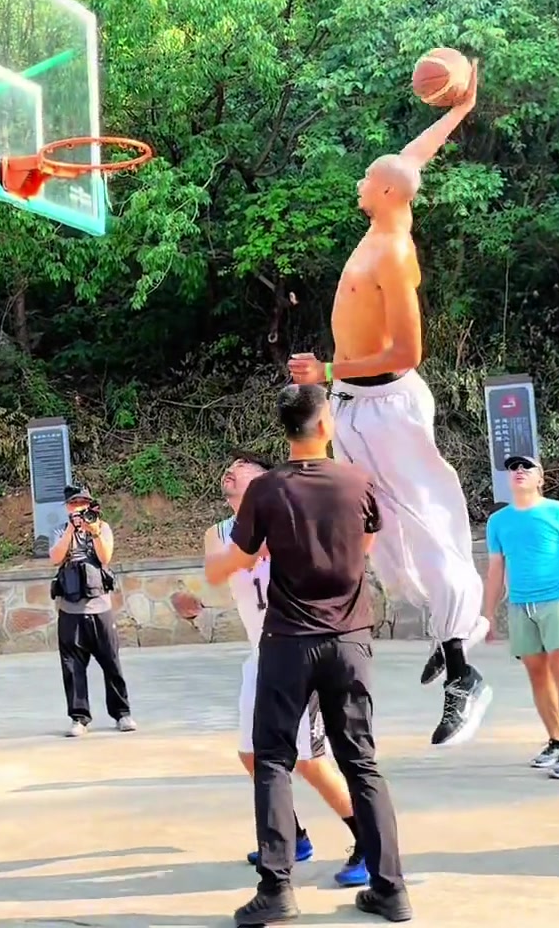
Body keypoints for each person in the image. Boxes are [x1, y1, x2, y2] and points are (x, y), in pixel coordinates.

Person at [286, 62, 491, 748]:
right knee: (385, 538)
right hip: (353, 405)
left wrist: (328, 369)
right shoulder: (391, 202)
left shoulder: (395, 254)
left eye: (365, 179)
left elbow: (407, 351)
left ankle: (464, 669)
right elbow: (412, 158)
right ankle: (450, 631)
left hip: (388, 406)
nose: (357, 184)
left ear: (382, 192)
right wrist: (458, 110)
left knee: (425, 525)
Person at [204, 384, 411, 924]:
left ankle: (277, 891)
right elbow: (366, 544)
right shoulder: (357, 481)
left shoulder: (266, 490)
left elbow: (239, 559)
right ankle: (391, 890)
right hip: (349, 639)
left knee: (272, 760)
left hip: (288, 641)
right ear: (325, 426)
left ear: (286, 429)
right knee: (360, 762)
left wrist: (223, 563)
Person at [205, 453, 371, 888]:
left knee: (310, 761)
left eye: (243, 466)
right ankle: (290, 837)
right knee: (251, 754)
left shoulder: (293, 518)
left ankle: (367, 841)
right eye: (229, 466)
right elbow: (216, 571)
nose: (231, 469)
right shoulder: (218, 533)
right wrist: (247, 551)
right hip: (260, 656)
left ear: (267, 481)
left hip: (299, 649)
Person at [482, 455, 559, 780]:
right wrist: (488, 613)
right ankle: (556, 739)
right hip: (520, 605)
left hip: (556, 601)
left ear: (540, 478)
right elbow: (496, 569)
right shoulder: (498, 521)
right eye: (514, 468)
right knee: (537, 674)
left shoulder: (557, 511)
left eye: (527, 468)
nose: (519, 472)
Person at [48, 484, 135, 736]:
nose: (78, 508)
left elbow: (105, 558)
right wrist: (70, 531)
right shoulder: (59, 530)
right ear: (67, 507)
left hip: (100, 608)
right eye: (74, 504)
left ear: (90, 505)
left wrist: (93, 531)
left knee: (111, 662)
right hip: (70, 610)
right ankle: (79, 718)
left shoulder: (101, 527)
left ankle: (122, 714)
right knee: (72, 666)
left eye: (82, 503)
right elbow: (55, 558)